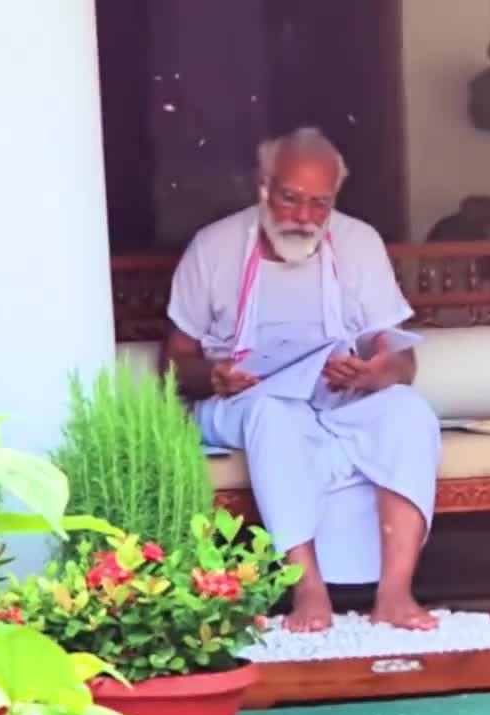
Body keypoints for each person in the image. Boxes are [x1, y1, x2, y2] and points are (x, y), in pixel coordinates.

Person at [163, 126, 441, 633]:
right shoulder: (215, 246)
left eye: (321, 204)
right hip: (243, 401)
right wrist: (214, 375)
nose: (305, 218)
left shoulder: (359, 242)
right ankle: (308, 590)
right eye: (291, 200)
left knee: (409, 411)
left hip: (336, 397)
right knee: (275, 415)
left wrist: (376, 373)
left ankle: (396, 593)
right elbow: (174, 361)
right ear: (264, 185)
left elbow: (401, 363)